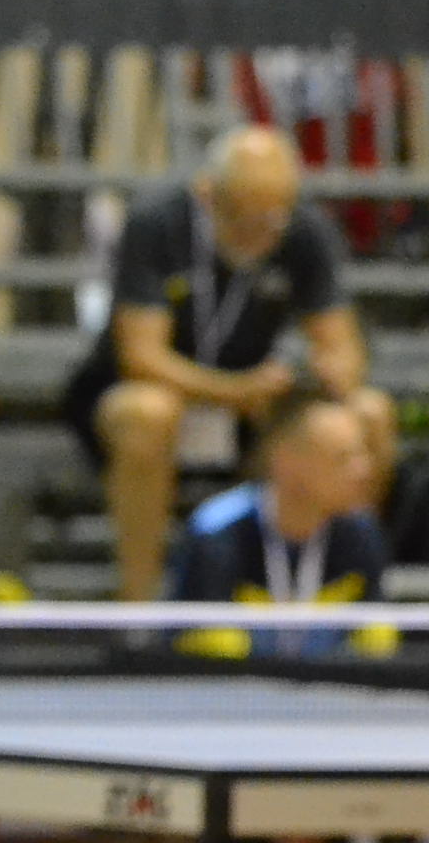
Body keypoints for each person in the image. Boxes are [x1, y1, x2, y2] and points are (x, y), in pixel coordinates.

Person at [63, 126, 397, 600]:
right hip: (161, 395)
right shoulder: (157, 223)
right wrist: (235, 392)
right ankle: (138, 605)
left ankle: (353, 586)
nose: (262, 232)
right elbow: (141, 356)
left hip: (251, 406)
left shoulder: (302, 229)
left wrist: (328, 373)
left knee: (368, 413)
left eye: (274, 218)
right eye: (245, 216)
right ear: (207, 194)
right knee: (147, 413)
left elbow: (343, 346)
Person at [167, 383, 394, 660]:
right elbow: (205, 653)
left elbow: (375, 646)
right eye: (343, 458)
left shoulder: (362, 533)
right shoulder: (217, 532)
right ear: (286, 462)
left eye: (362, 454)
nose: (363, 470)